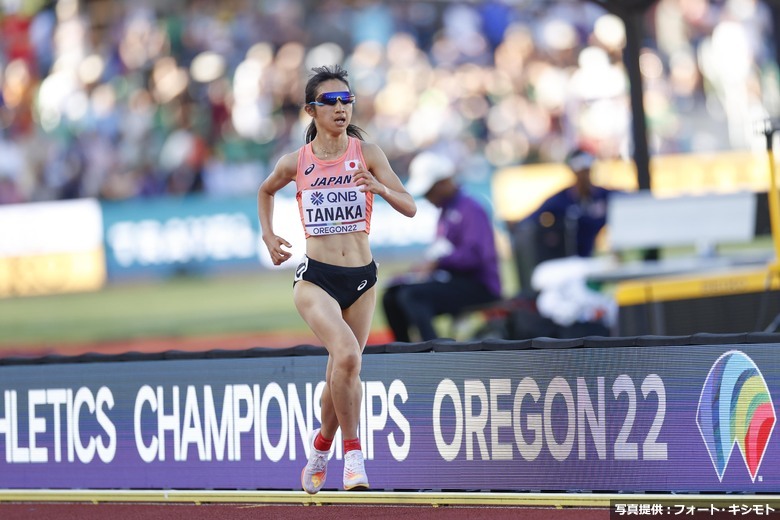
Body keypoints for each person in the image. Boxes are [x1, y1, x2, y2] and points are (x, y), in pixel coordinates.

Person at [257, 65, 416, 494]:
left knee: (342, 369)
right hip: (316, 278)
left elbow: (410, 206)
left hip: (363, 278)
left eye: (347, 100)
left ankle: (319, 449)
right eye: (330, 101)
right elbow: (266, 190)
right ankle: (354, 458)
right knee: (347, 355)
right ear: (311, 110)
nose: (341, 108)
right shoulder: (296, 162)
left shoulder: (368, 153)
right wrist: (269, 235)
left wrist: (380, 190)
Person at [381, 151, 502, 342]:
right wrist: (418, 270)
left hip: (479, 285)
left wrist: (438, 263)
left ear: (444, 182)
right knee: (391, 296)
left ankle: (433, 351)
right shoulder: (447, 211)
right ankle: (404, 353)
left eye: (429, 190)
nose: (427, 197)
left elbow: (475, 256)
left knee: (412, 296)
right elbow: (441, 252)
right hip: (453, 280)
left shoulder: (471, 209)